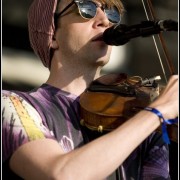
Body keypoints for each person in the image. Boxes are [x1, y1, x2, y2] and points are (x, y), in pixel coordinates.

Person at [2, 0, 178, 179]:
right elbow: (61, 175)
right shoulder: (12, 104)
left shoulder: (140, 120)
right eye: (86, 9)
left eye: (111, 13)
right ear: (52, 34)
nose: (104, 20)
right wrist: (158, 112)